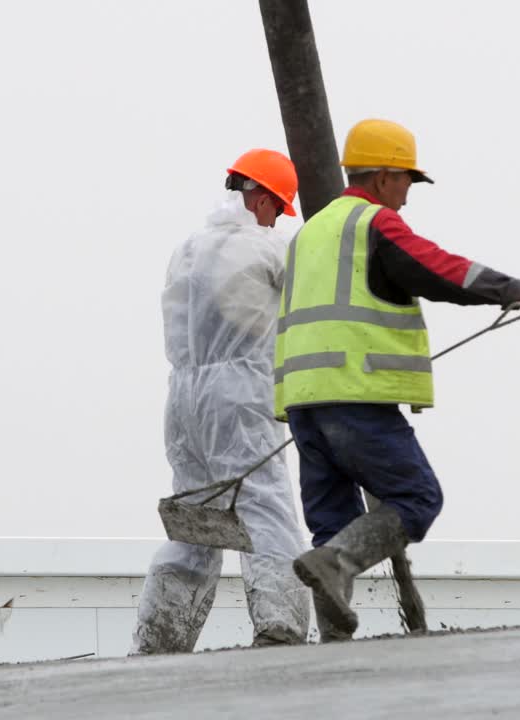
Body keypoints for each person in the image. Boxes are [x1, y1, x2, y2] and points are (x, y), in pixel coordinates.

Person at [273, 119, 520, 641]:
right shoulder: (373, 223)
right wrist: (511, 289)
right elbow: (437, 268)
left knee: (331, 526)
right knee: (417, 498)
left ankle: (335, 643)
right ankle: (337, 566)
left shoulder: (311, 231)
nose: (406, 196)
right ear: (382, 178)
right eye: (405, 181)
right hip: (355, 394)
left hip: (304, 403)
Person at [135, 148, 311, 653]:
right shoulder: (269, 248)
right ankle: (281, 627)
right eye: (278, 208)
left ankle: (159, 641)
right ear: (262, 198)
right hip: (239, 394)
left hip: (183, 400)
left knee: (194, 519)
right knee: (266, 506)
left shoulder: (187, 248)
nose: (277, 219)